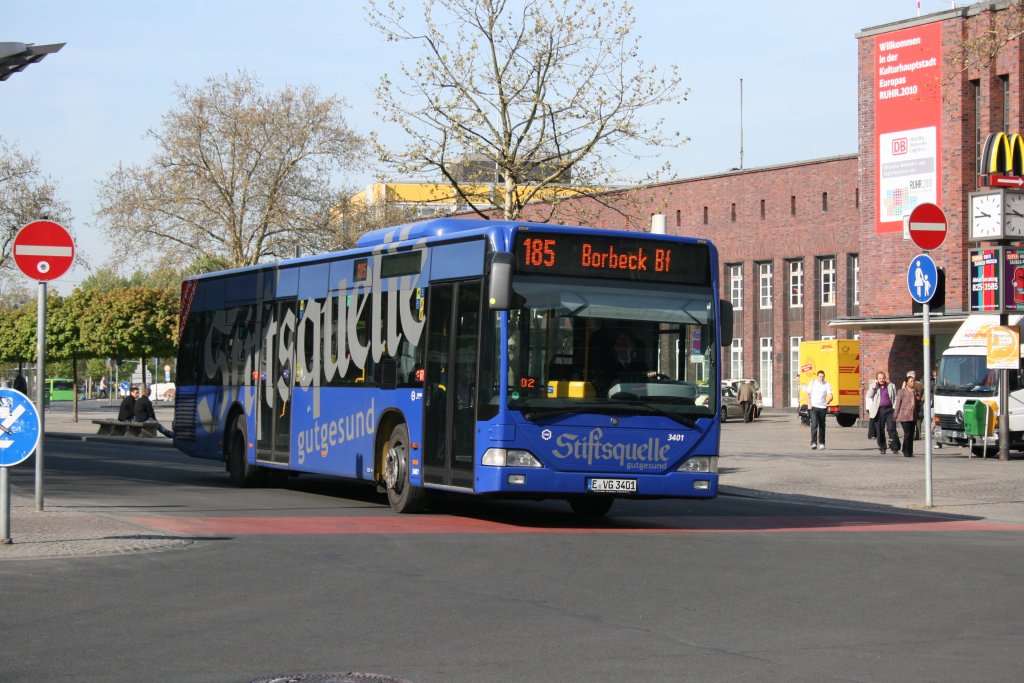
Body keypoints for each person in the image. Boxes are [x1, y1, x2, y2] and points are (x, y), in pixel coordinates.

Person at [866, 371, 899, 454]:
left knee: (891, 428)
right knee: (880, 430)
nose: (882, 380)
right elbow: (869, 396)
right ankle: (882, 447)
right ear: (876, 379)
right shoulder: (874, 386)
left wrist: (894, 408)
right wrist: (874, 387)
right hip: (879, 411)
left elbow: (896, 398)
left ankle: (894, 447)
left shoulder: (891, 386)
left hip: (889, 410)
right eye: (880, 378)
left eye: (883, 378)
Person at [893, 375, 918, 457]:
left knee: (911, 434)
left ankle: (910, 451)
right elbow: (898, 404)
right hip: (904, 416)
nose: (913, 382)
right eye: (911, 381)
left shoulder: (916, 391)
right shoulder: (901, 391)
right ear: (906, 382)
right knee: (907, 433)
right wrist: (895, 415)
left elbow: (919, 400)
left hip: (913, 416)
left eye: (914, 381)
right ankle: (905, 450)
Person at [807, 370, 833, 450]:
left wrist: (828, 400)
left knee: (822, 425)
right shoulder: (812, 383)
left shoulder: (826, 384)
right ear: (817, 376)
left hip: (822, 408)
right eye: (820, 377)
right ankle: (813, 443)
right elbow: (808, 394)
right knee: (814, 425)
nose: (821, 378)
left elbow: (831, 395)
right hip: (814, 407)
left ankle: (822, 443)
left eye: (822, 377)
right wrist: (809, 404)